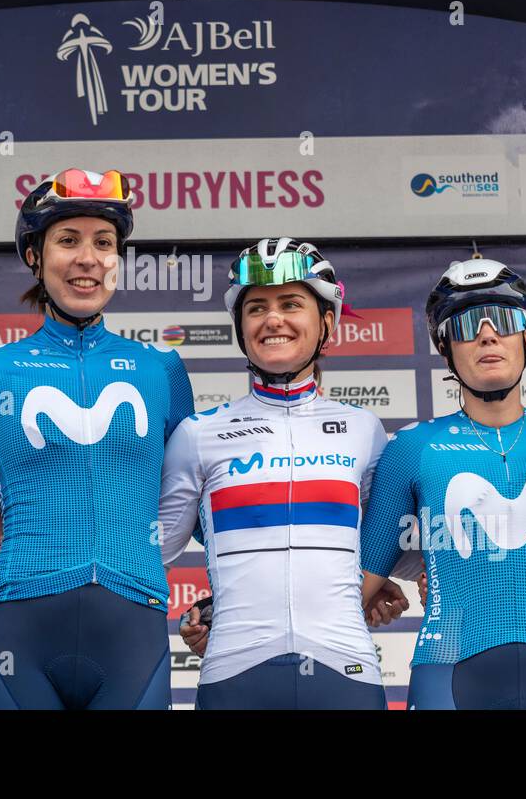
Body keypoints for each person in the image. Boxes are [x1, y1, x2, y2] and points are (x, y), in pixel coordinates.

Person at [0, 168, 194, 709]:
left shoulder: (162, 369)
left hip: (134, 627)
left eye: (104, 242)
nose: (88, 258)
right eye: (67, 241)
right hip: (22, 627)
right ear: (35, 255)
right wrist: (31, 534)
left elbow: (196, 507)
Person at [358, 258, 526, 709]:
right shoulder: (411, 448)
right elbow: (359, 586)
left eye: (505, 319)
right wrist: (238, 626)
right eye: (467, 324)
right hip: (448, 673)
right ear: (445, 347)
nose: (488, 334)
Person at [159, 238, 413, 709]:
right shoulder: (198, 433)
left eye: (291, 303)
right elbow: (150, 551)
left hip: (345, 668)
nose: (273, 319)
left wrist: (381, 587)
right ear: (240, 327)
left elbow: (388, 544)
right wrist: (26, 553)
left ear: (328, 323)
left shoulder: (364, 429)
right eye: (256, 308)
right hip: (235, 668)